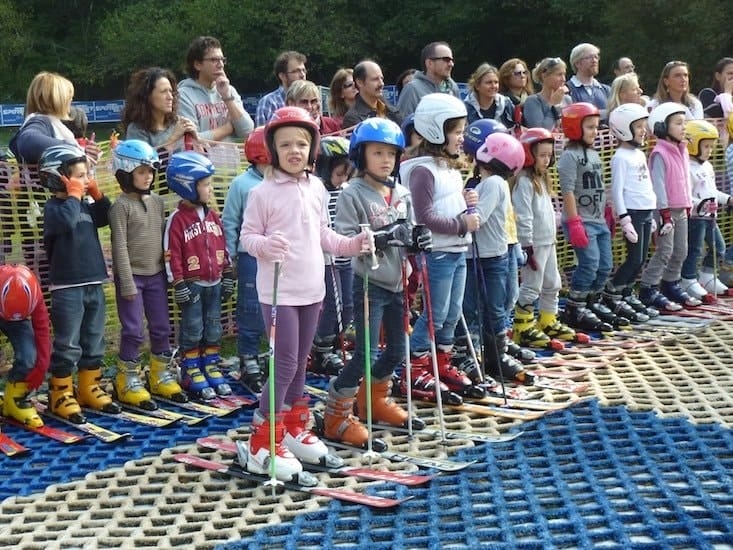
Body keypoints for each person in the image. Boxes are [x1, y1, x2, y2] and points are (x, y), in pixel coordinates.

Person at [240, 106, 373, 479]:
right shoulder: (262, 192)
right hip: (279, 292)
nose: (294, 151)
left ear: (312, 147)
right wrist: (265, 245)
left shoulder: (316, 187)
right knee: (283, 363)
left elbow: (324, 234)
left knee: (300, 362)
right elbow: (247, 237)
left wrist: (353, 244)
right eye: (285, 145)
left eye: (301, 143)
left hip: (312, 289)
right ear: (273, 149)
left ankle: (293, 427)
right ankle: (262, 440)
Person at [323, 117, 432, 445]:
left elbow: (407, 232)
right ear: (361, 155)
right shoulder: (352, 193)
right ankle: (336, 415)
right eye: (377, 153)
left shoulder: (401, 192)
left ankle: (374, 401)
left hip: (398, 282)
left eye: (391, 154)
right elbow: (345, 238)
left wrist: (417, 239)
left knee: (398, 349)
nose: (386, 160)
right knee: (365, 355)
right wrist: (384, 236)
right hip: (369, 282)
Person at [399, 94, 479, 385]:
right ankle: (415, 364)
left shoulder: (447, 166)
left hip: (457, 250)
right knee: (436, 313)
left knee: (453, 313)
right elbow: (424, 216)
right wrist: (461, 224)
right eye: (456, 131)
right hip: (439, 252)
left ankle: (441, 360)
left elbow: (446, 203)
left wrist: (466, 201)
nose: (461, 137)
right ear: (436, 131)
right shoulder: (423, 170)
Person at [39, 144, 120, 423]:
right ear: (58, 177)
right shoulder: (54, 209)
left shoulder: (83, 205)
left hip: (94, 280)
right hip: (67, 287)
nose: (86, 181)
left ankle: (89, 387)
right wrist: (74, 195)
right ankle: (60, 393)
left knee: (94, 338)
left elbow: (107, 217)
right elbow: (67, 222)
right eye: (80, 176)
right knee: (68, 343)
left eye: (88, 176)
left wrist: (97, 195)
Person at [109, 140, 187, 409]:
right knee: (133, 330)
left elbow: (163, 236)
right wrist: (126, 282)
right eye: (141, 172)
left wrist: (169, 266)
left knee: (162, 326)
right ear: (125, 173)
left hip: (156, 276)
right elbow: (119, 246)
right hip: (132, 277)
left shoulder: (157, 202)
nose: (148, 177)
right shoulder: (120, 207)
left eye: (151, 172)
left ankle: (159, 375)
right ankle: (127, 380)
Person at [164, 151, 235, 400]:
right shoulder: (177, 220)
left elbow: (223, 244)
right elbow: (171, 254)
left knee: (213, 327)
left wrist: (228, 273)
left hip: (215, 282)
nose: (210, 189)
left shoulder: (213, 216)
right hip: (192, 285)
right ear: (187, 186)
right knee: (193, 328)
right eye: (205, 184)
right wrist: (178, 283)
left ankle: (211, 365)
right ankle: (190, 369)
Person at [463, 131, 529, 383]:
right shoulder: (485, 183)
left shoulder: (493, 184)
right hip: (481, 256)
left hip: (489, 257)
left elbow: (478, 217)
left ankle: (495, 356)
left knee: (493, 307)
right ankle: (480, 354)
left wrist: (463, 211)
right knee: (478, 307)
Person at [512, 128, 582, 349]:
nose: (546, 160)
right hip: (534, 244)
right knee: (532, 285)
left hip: (547, 241)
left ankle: (548, 319)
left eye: (549, 155)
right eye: (542, 155)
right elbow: (523, 215)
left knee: (553, 283)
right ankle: (522, 325)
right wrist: (527, 245)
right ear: (529, 155)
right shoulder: (524, 181)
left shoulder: (541, 179)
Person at [557, 103, 625, 332]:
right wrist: (574, 222)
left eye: (596, 127)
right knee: (589, 264)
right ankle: (575, 306)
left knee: (605, 266)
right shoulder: (569, 156)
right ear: (575, 128)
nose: (595, 132)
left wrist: (607, 211)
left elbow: (599, 186)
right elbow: (567, 191)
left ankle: (591, 301)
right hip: (582, 220)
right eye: (590, 127)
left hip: (598, 220)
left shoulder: (594, 153)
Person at [638, 103, 700, 310]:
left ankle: (671, 283)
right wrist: (664, 213)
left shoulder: (682, 150)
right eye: (678, 123)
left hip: (681, 208)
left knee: (681, 250)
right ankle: (648, 287)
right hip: (666, 210)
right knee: (665, 250)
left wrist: (689, 203)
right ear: (663, 126)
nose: (684, 127)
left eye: (684, 123)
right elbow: (659, 186)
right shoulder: (659, 153)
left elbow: (685, 180)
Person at [221, 127, 269, 393]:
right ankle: (248, 357)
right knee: (251, 307)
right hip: (250, 256)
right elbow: (230, 221)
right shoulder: (242, 185)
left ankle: (272, 353)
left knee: (279, 306)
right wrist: (230, 258)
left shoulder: (285, 182)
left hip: (279, 257)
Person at [605, 103, 658, 320]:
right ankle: (613, 292)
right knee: (634, 259)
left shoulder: (638, 154)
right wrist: (624, 219)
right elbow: (616, 191)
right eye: (638, 126)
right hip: (633, 213)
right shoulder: (620, 157)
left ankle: (627, 293)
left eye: (644, 126)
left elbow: (645, 185)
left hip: (645, 211)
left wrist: (652, 214)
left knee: (642, 258)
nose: (643, 131)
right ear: (624, 128)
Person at [310, 136, 354, 376]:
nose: (343, 179)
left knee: (349, 304)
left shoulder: (345, 190)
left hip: (346, 256)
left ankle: (337, 340)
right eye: (339, 174)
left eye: (347, 174)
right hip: (327, 258)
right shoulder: (316, 191)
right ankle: (322, 348)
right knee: (332, 304)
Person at [681, 120, 733, 297]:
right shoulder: (687, 168)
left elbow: (712, 192)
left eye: (711, 146)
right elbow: (685, 195)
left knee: (719, 247)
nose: (710, 150)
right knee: (695, 249)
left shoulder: (708, 166)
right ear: (693, 145)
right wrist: (700, 204)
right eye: (706, 146)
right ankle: (688, 279)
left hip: (710, 217)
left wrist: (728, 199)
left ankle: (708, 276)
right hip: (696, 218)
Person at [10, 72, 101, 165]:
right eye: (68, 96)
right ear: (57, 99)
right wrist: (74, 152)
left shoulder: (46, 122)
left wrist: (85, 153)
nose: (71, 100)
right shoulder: (40, 121)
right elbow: (28, 140)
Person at [177, 36, 254, 142]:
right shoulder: (184, 95)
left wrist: (227, 98)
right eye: (214, 60)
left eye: (222, 60)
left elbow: (247, 132)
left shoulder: (229, 90)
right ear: (197, 65)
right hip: (201, 154)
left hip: (230, 153)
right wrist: (227, 129)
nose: (220, 65)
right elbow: (192, 141)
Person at [0, 264, 49, 427]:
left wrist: (42, 365)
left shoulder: (34, 295)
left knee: (29, 357)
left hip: (18, 317)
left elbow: (42, 330)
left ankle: (14, 399)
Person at [122, 67, 199, 155]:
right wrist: (173, 139)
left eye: (171, 91)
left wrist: (197, 139)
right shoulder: (137, 130)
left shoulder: (178, 123)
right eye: (163, 92)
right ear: (147, 96)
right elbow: (144, 162)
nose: (170, 97)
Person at [397, 42, 461, 117]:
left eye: (452, 60)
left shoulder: (452, 86)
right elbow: (403, 121)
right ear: (429, 63)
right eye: (446, 59)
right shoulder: (412, 89)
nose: (451, 64)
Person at [341, 60, 401, 130]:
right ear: (359, 82)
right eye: (375, 79)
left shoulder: (390, 109)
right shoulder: (352, 118)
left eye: (381, 78)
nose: (381, 84)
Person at [255, 50, 308, 126]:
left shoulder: (311, 101)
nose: (302, 75)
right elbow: (262, 132)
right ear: (282, 76)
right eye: (296, 71)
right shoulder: (269, 102)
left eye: (303, 70)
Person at [522, 58, 571, 131]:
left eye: (564, 74)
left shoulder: (567, 99)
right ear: (544, 76)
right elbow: (541, 131)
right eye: (559, 74)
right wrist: (553, 105)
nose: (563, 79)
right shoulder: (533, 101)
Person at [566, 43, 611, 121]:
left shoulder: (606, 90)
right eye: (589, 57)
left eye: (596, 57)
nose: (594, 61)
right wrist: (606, 113)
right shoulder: (568, 90)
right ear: (577, 63)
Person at [463, 63, 515, 128]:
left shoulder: (507, 104)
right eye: (489, 82)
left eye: (496, 82)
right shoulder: (465, 108)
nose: (493, 86)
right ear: (477, 86)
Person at [498, 58, 534, 128]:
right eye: (517, 73)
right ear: (506, 77)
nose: (522, 76)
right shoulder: (501, 101)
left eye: (524, 72)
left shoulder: (533, 99)